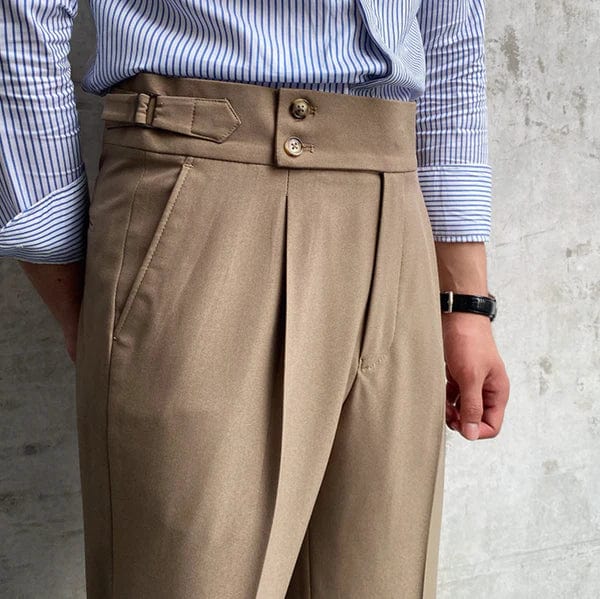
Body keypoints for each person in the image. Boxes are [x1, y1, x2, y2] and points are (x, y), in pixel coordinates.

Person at [0, 1, 510, 597]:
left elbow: (451, 41)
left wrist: (465, 302)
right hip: (202, 196)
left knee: (384, 578)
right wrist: (58, 258)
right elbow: (22, 20)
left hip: (394, 205)